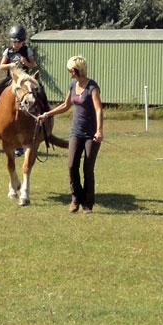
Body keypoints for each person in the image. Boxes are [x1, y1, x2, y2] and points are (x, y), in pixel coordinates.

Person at [38, 56, 103, 214]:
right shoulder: (73, 85)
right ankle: (75, 199)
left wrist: (99, 130)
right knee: (72, 165)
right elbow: (65, 105)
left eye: (69, 70)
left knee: (88, 168)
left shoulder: (92, 87)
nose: (69, 72)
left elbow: (98, 109)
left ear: (75, 71)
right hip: (76, 132)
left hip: (91, 134)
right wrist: (47, 114)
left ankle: (88, 204)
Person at [0, 24, 37, 119]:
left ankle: (45, 111)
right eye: (14, 42)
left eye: (18, 42)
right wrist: (10, 65)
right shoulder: (8, 51)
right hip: (10, 78)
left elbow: (33, 64)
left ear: (23, 41)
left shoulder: (27, 51)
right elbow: (1, 66)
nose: (16, 44)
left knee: (39, 90)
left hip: (24, 79)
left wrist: (26, 62)